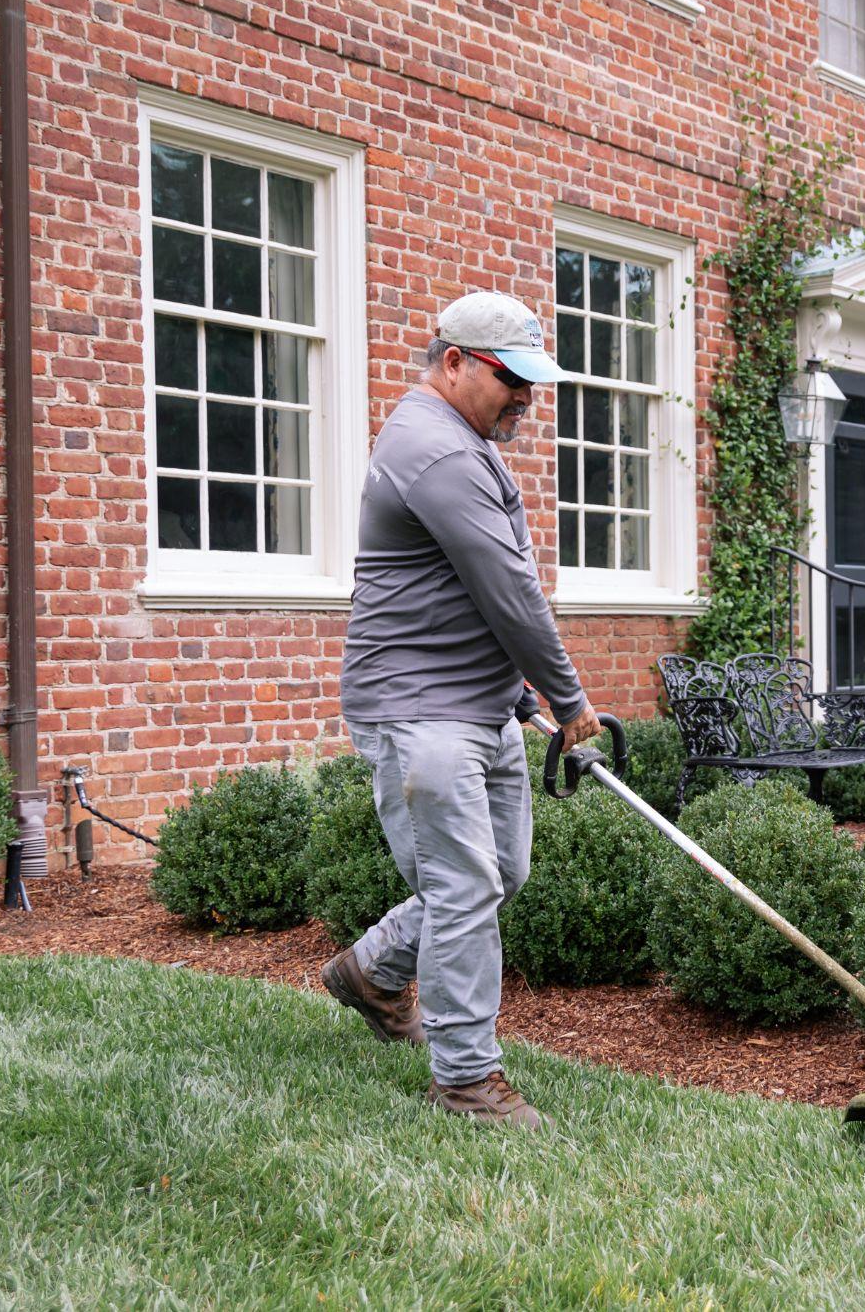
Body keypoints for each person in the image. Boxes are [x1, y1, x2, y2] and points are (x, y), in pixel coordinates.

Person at [321, 290, 602, 1130]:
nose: (525, 396)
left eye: (530, 381)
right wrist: (569, 695)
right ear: (454, 362)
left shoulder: (458, 440)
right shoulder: (435, 450)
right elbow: (509, 591)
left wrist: (515, 689)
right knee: (465, 881)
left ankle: (371, 969)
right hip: (420, 709)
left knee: (496, 873)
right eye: (511, 378)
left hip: (477, 701)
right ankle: (467, 1079)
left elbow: (459, 589)